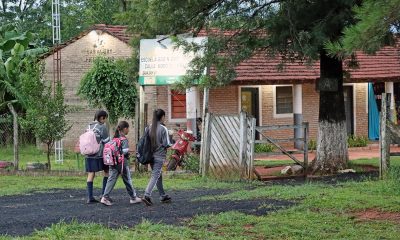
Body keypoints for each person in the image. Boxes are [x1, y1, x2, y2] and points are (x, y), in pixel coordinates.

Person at [100, 121, 142, 206]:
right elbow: (125, 151)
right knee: (127, 180)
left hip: (112, 162)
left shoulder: (114, 138)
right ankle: (133, 198)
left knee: (111, 179)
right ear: (125, 129)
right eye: (128, 128)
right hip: (122, 163)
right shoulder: (124, 139)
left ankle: (105, 197)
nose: (128, 130)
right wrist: (129, 152)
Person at [142, 109, 173, 206]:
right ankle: (146, 195)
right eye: (164, 116)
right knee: (155, 176)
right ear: (162, 117)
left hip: (150, 156)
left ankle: (163, 196)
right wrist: (171, 136)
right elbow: (167, 144)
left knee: (158, 176)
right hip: (159, 156)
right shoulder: (163, 128)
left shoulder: (149, 127)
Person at [85, 110, 110, 204]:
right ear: (102, 117)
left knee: (91, 174)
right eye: (105, 118)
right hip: (99, 155)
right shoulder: (102, 127)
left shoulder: (89, 126)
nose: (105, 120)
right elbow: (106, 141)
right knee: (107, 172)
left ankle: (90, 197)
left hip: (88, 154)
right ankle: (104, 195)